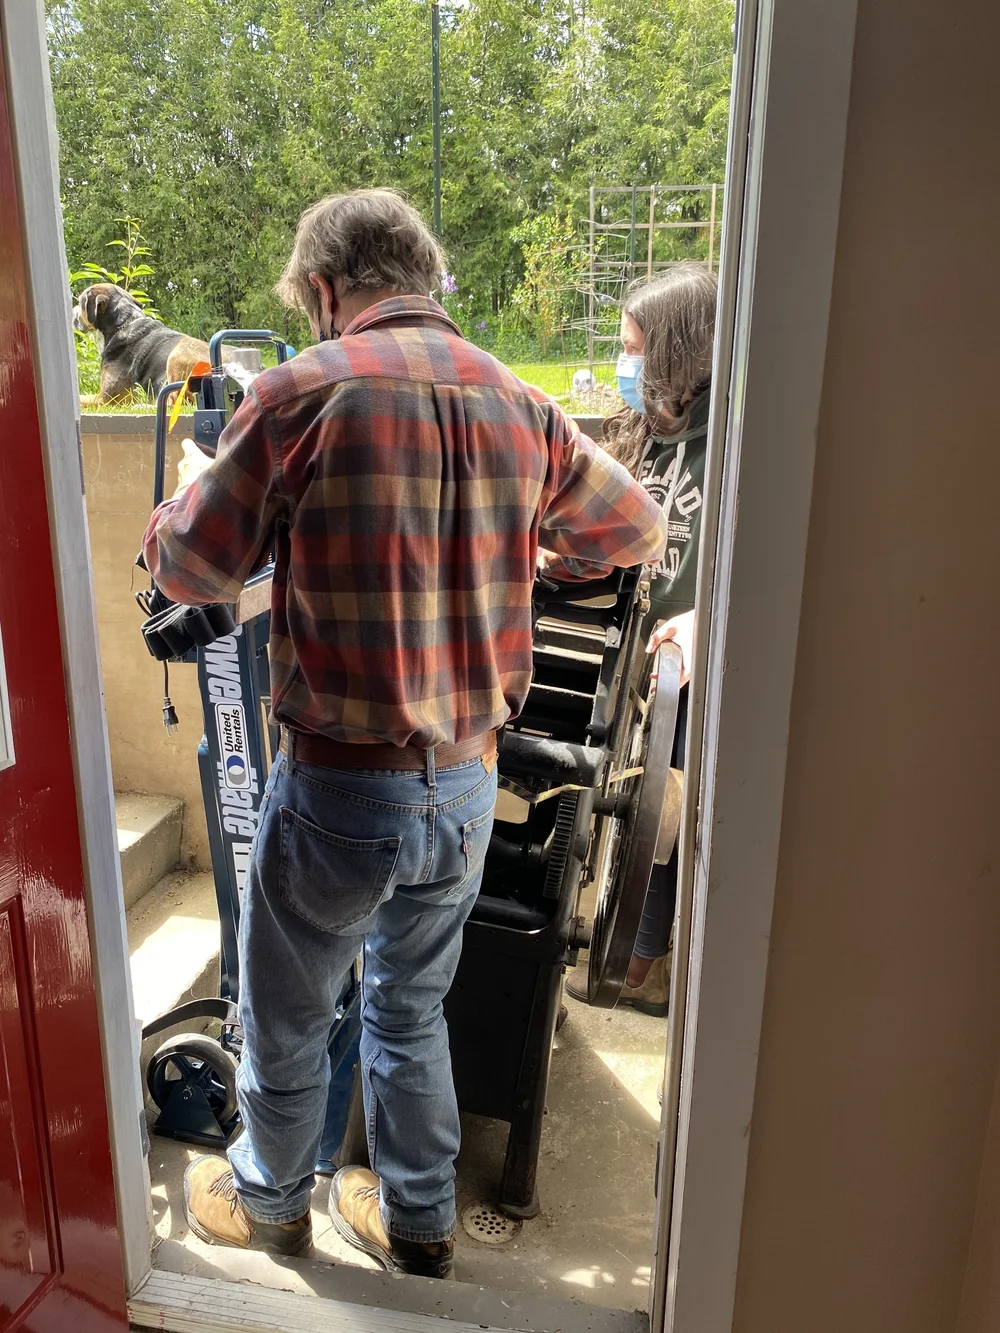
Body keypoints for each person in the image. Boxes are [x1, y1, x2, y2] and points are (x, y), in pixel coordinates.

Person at [141, 188, 667, 1280]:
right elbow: (634, 529)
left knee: (288, 1018)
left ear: (328, 290)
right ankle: (421, 1221)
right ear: (422, 275)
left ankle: (273, 1202)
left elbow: (190, 568)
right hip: (468, 785)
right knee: (408, 1004)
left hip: (341, 787)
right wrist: (544, 548)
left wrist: (187, 494)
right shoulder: (517, 399)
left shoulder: (297, 395)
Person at [564, 263, 716, 1017]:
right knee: (644, 802)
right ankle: (635, 953)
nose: (625, 364)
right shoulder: (657, 427)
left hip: (695, 665)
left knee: (664, 816)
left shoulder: (733, 439)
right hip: (645, 653)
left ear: (678, 352)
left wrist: (708, 619)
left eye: (635, 348)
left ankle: (641, 966)